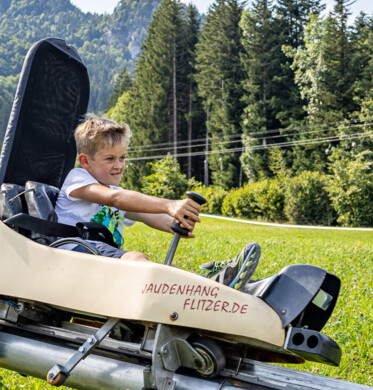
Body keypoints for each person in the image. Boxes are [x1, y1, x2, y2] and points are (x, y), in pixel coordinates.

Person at [55, 114, 260, 290]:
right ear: (85, 161)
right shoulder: (78, 179)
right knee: (136, 260)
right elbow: (115, 199)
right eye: (110, 159)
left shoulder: (114, 191)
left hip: (100, 256)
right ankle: (212, 287)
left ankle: (214, 286)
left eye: (122, 158)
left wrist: (178, 220)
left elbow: (148, 214)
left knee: (168, 271)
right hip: (74, 252)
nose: (119, 165)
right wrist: (169, 204)